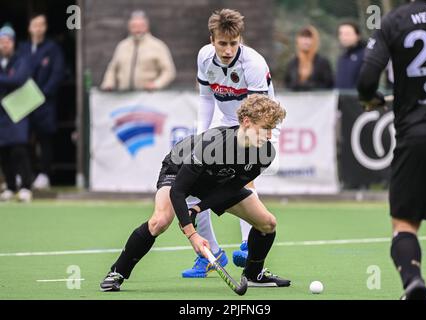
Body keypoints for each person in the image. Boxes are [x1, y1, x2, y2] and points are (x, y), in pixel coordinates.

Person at [100, 94, 290, 292]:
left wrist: (199, 207)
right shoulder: (213, 145)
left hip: (214, 181)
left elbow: (230, 188)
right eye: (265, 129)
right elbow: (179, 190)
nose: (269, 136)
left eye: (272, 130)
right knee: (160, 221)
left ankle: (253, 274)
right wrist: (192, 234)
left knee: (268, 223)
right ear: (247, 122)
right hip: (178, 170)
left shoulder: (265, 153)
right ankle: (118, 272)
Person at [357, 0, 426, 300]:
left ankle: (413, 281)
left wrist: (372, 99)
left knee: (405, 224)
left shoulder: (394, 21)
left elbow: (367, 80)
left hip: (416, 137)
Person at [182, 8, 279, 278]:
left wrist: (238, 145)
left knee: (242, 179)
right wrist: (202, 135)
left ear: (240, 40)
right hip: (225, 123)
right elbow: (205, 98)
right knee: (192, 184)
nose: (227, 50)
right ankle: (210, 254)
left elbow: (258, 113)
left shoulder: (253, 64)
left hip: (259, 125)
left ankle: (249, 245)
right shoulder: (204, 57)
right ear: (212, 40)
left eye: (233, 43)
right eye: (222, 43)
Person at [18, 13, 66, 190]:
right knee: (23, 139)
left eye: (41, 25)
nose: (38, 28)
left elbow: (57, 73)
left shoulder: (52, 48)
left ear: (45, 27)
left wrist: (42, 94)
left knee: (44, 139)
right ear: (29, 28)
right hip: (23, 102)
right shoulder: (22, 48)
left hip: (44, 102)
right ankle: (25, 174)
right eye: (35, 25)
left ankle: (44, 174)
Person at [101, 10, 176, 91]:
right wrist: (108, 83)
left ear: (147, 27)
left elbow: (169, 71)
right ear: (129, 27)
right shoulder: (122, 46)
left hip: (148, 97)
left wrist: (156, 84)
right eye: (134, 26)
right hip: (123, 97)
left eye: (141, 26)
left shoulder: (158, 46)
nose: (137, 29)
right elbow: (112, 69)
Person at [0, 25, 33, 202]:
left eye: (7, 41)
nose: (4, 45)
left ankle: (26, 186)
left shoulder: (22, 60)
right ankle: (11, 186)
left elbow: (18, 79)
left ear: (12, 43)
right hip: (1, 114)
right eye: (1, 42)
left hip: (17, 111)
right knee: (3, 151)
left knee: (18, 149)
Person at [284, 25, 334, 91]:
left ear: (315, 40)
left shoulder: (323, 62)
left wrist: (310, 87)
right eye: (303, 37)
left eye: (309, 37)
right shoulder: (292, 63)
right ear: (298, 40)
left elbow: (328, 85)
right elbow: (287, 85)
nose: (305, 41)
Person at [335, 21, 366, 90]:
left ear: (358, 36)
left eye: (347, 34)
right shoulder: (342, 57)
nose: (343, 37)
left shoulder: (366, 55)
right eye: (341, 34)